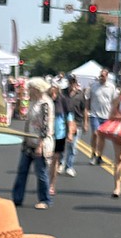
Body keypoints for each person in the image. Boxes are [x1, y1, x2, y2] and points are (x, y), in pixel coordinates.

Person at [10, 77, 54, 210]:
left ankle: (45, 199)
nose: (28, 91)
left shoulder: (45, 104)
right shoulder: (33, 102)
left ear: (37, 89)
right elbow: (28, 122)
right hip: (29, 142)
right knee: (22, 171)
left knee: (41, 173)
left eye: (30, 89)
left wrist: (40, 145)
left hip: (39, 143)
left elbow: (45, 127)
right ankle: (17, 198)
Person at [47, 79, 74, 194]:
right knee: (45, 160)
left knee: (55, 160)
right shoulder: (45, 101)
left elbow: (69, 117)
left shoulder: (63, 100)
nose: (53, 95)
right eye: (51, 92)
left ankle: (51, 185)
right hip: (46, 135)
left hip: (59, 135)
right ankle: (45, 182)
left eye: (55, 92)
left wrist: (70, 133)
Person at [86, 68, 115, 166]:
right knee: (95, 133)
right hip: (95, 114)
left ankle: (99, 156)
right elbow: (88, 100)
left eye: (103, 76)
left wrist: (113, 115)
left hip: (106, 116)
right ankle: (93, 154)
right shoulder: (94, 86)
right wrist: (87, 113)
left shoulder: (111, 87)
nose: (101, 78)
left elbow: (114, 102)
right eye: (100, 76)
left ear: (107, 76)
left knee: (102, 137)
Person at [63, 75, 85, 176]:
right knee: (62, 144)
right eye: (70, 82)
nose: (72, 84)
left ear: (76, 83)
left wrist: (85, 123)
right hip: (63, 122)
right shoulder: (63, 93)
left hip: (77, 122)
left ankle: (69, 166)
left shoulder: (80, 95)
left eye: (74, 82)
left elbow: (84, 109)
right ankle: (61, 163)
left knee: (73, 146)